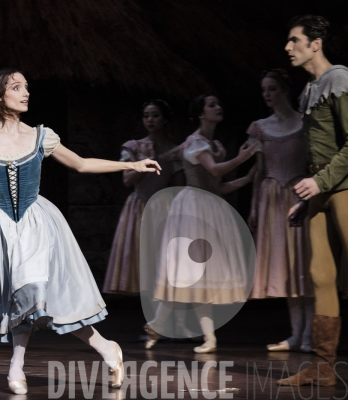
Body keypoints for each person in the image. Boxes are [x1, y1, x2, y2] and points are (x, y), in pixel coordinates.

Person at [0, 68, 161, 395]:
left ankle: (17, 366)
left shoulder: (42, 135)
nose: (26, 93)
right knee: (24, 298)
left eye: (27, 87)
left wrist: (131, 165)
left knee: (34, 293)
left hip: (36, 221)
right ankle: (106, 348)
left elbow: (81, 164)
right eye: (17, 87)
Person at [144, 94, 258, 353]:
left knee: (201, 276)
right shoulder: (195, 143)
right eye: (212, 105)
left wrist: (247, 178)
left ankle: (202, 336)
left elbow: (217, 186)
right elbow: (216, 170)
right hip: (193, 208)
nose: (218, 108)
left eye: (219, 103)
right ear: (200, 114)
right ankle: (162, 326)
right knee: (189, 272)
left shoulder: (214, 145)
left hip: (210, 207)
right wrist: (245, 157)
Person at [278, 15, 348, 387]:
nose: (288, 47)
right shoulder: (308, 90)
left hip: (343, 184)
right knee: (321, 275)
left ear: (314, 44)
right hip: (320, 188)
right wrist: (308, 197)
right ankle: (322, 368)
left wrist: (320, 182)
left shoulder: (340, 79)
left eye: (294, 40)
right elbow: (316, 149)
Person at [246, 69, 313, 353]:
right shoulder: (259, 127)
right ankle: (295, 333)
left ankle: (310, 334)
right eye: (264, 90)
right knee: (286, 267)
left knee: (306, 266)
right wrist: (253, 208)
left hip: (300, 194)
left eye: (272, 88)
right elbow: (259, 171)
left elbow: (314, 163)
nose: (267, 95)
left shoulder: (305, 123)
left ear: (285, 90)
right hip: (272, 199)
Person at [103, 100, 184, 295]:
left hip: (164, 206)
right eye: (146, 116)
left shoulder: (175, 151)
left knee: (163, 259)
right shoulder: (135, 147)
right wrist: (147, 161)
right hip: (139, 205)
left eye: (155, 115)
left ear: (165, 119)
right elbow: (127, 180)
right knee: (140, 255)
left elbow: (179, 185)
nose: (150, 120)